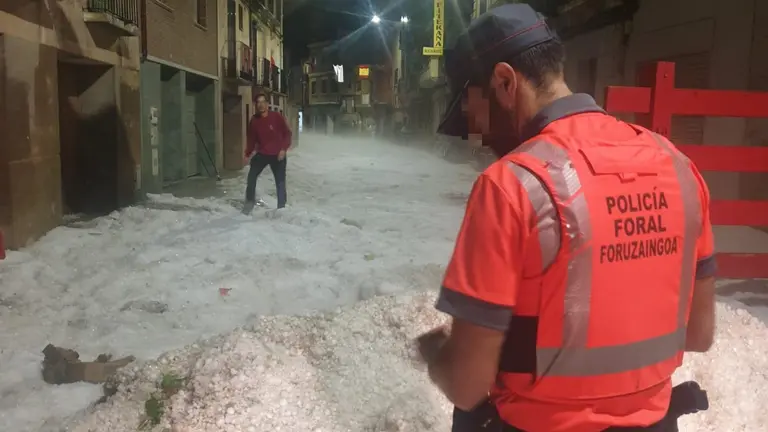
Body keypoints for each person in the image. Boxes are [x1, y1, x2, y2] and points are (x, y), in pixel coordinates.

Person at [415, 4, 715, 431]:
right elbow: (699, 333)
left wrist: (436, 354)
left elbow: (467, 385)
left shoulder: (512, 185)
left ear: (504, 82)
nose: (476, 135)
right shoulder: (679, 168)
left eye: (471, 113)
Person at [244, 94, 292, 211]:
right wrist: (247, 153)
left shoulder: (276, 116)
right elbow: (251, 139)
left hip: (278, 154)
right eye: (258, 103)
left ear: (267, 104)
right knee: (251, 177)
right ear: (256, 105)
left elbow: (287, 134)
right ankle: (249, 205)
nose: (261, 105)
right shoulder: (254, 121)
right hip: (262, 154)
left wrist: (283, 149)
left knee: (280, 182)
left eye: (263, 102)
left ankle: (281, 208)